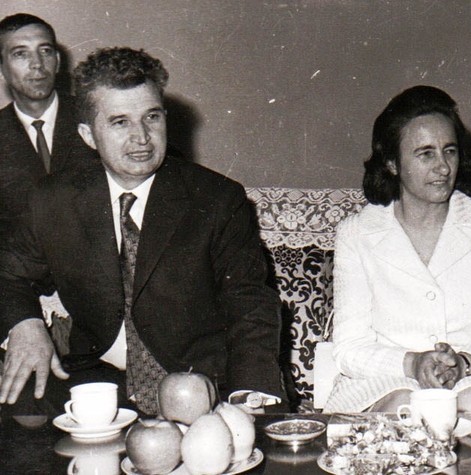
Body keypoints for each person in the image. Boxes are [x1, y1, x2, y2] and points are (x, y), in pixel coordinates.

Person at [0, 46, 285, 417]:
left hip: (201, 384)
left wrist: (252, 394)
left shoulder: (216, 198)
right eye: (120, 122)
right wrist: (26, 325)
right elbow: (9, 275)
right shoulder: (54, 200)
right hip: (95, 383)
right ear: (88, 135)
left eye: (151, 117)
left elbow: (249, 302)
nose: (142, 138)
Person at [325, 85, 471, 414]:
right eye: (426, 154)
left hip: (468, 379)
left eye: (450, 151)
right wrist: (412, 364)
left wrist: (465, 362)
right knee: (404, 408)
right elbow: (350, 347)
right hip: (381, 381)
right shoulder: (357, 233)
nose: (443, 167)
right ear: (392, 163)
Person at [0, 13, 89, 240]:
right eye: (21, 54)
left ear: (57, 60)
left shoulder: (94, 116)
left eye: (45, 51)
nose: (37, 64)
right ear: (1, 68)